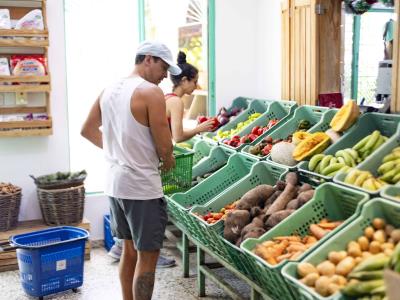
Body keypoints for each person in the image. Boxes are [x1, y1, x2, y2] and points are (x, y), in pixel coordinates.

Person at [81, 40, 180, 300]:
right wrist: (169, 159)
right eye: (163, 68)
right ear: (148, 59)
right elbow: (164, 145)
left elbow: (87, 130)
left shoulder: (109, 89)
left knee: (128, 251)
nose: (165, 77)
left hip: (116, 185)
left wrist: (117, 151)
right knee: (148, 257)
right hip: (142, 189)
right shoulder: (150, 92)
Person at [165, 51, 214, 142]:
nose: (196, 86)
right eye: (194, 82)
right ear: (184, 80)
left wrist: (197, 128)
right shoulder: (176, 102)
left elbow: (173, 132)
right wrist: (198, 129)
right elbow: (178, 137)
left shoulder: (167, 97)